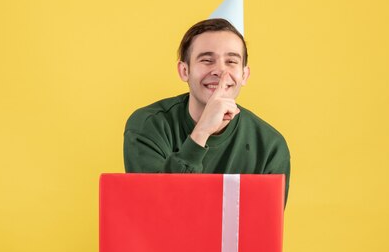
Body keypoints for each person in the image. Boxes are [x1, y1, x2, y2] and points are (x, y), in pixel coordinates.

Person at [123, 18, 291, 200]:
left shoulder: (270, 145)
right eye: (206, 60)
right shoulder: (148, 125)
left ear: (244, 75)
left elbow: (263, 225)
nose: (220, 71)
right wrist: (202, 131)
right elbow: (156, 209)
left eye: (231, 61)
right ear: (184, 71)